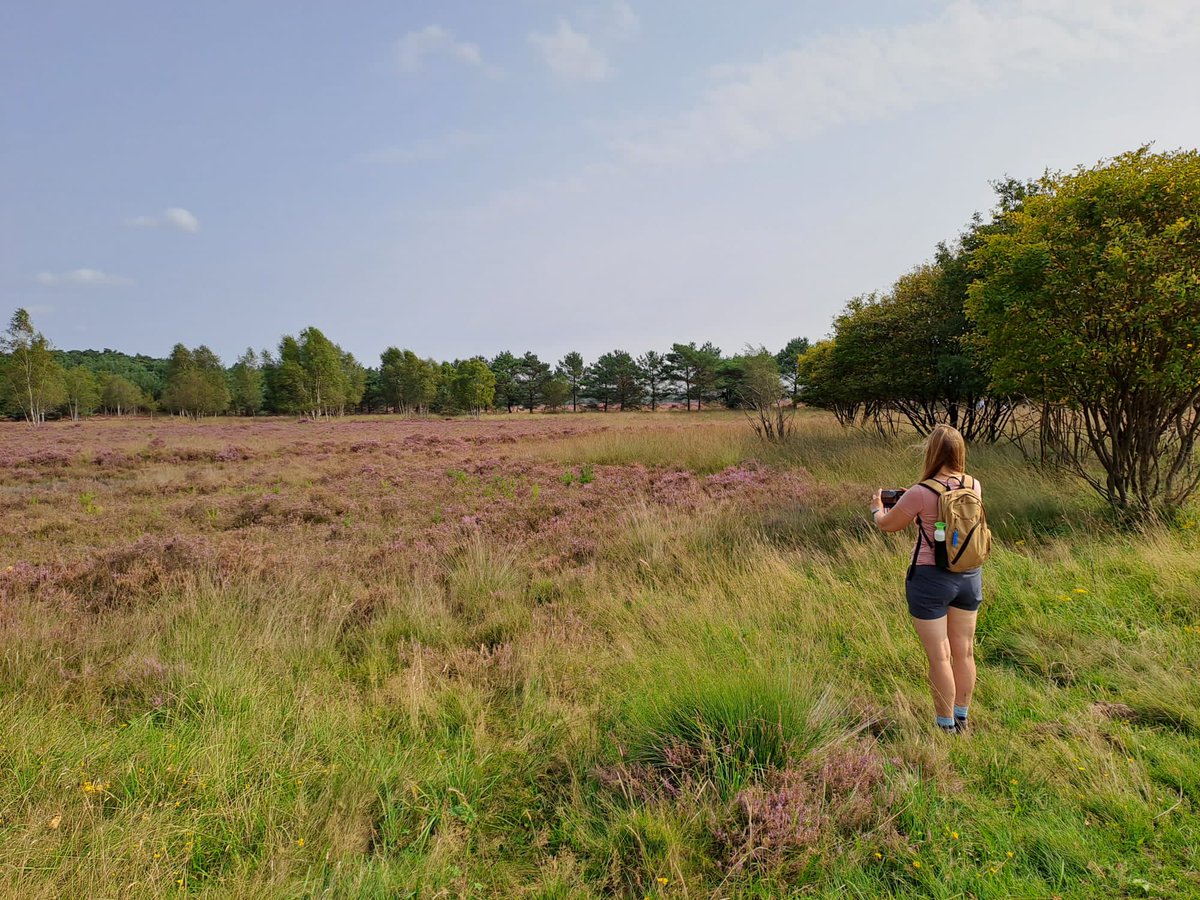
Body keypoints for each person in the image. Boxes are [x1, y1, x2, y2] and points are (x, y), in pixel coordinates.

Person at [870, 424, 982, 734]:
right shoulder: (974, 485)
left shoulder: (920, 492)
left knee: (940, 655)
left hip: (930, 579)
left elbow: (889, 525)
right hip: (969, 575)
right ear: (959, 451)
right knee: (965, 650)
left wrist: (877, 510)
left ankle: (945, 725)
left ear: (931, 452)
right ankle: (962, 717)